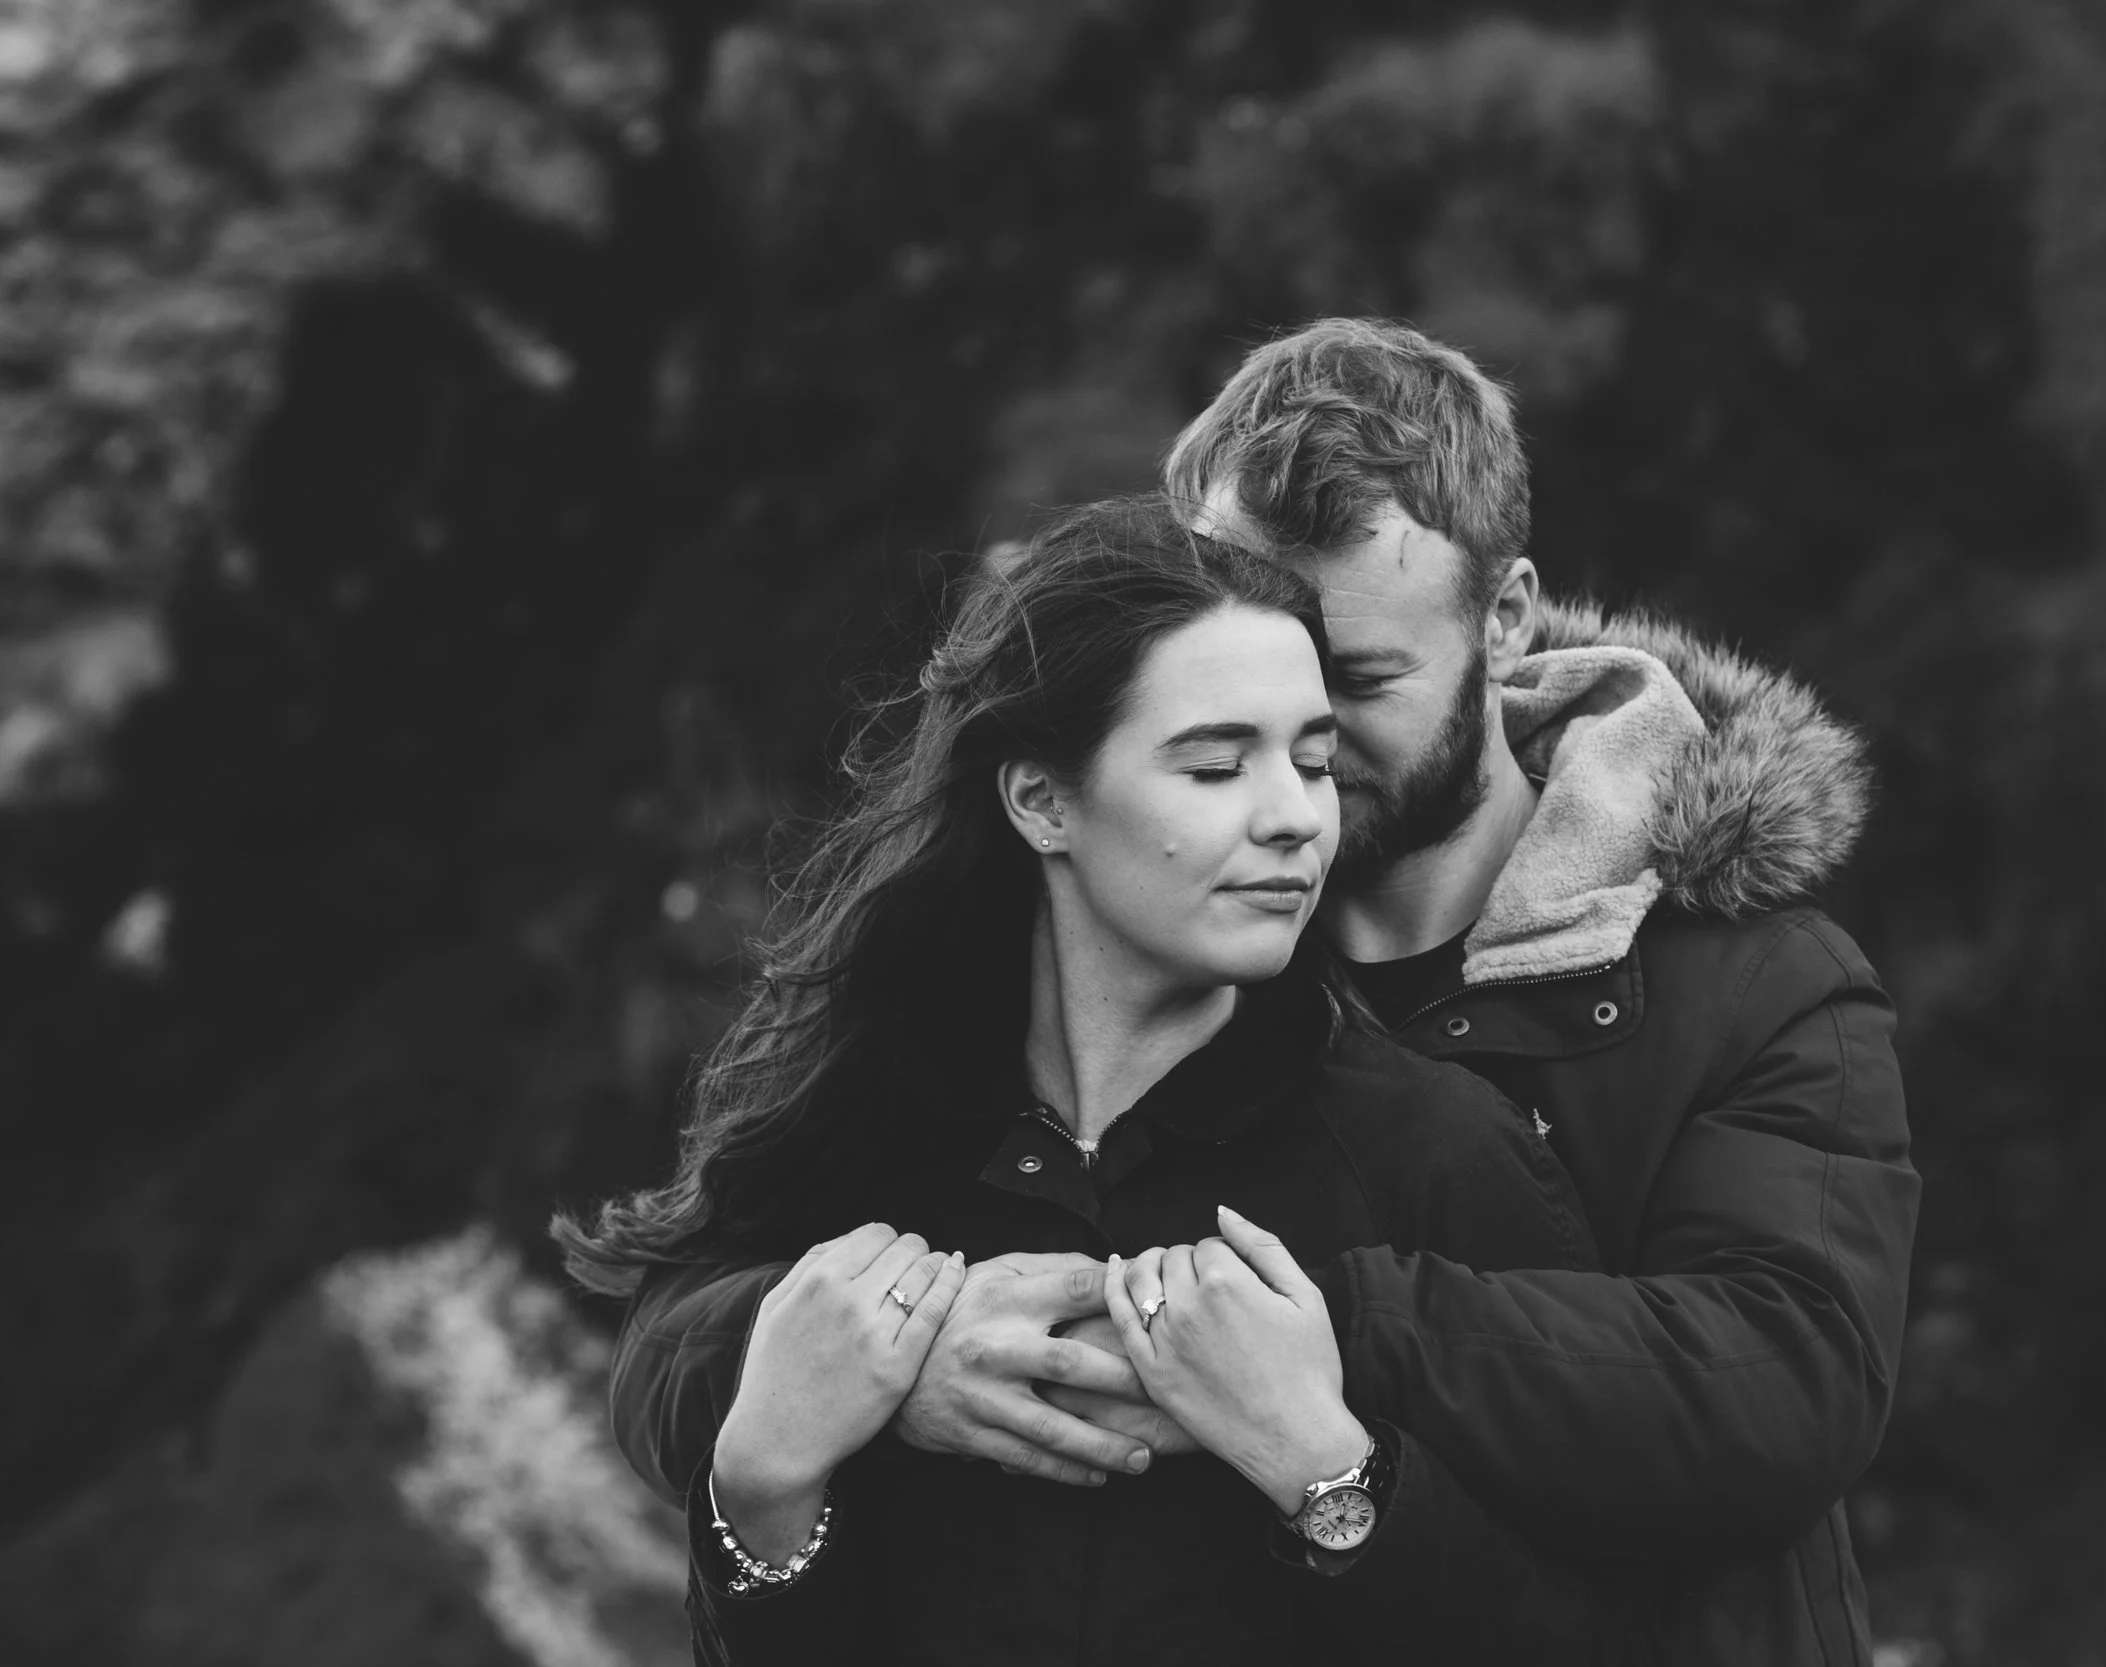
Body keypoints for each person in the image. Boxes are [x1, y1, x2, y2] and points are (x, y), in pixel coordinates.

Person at [609, 319, 1921, 1664]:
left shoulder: (1747, 976)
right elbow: (689, 1323)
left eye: (1345, 687)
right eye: (1225, 713)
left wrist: (1322, 1344)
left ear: (1507, 616)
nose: (1300, 788)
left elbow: (1785, 1383)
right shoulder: (1108, 969)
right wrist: (891, 1356)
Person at [556, 497, 1609, 1664]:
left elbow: (1589, 1622)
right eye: (1216, 764)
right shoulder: (872, 1115)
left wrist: (1325, 1469)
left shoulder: (1438, 1151)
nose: (1294, 818)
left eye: (1313, 761)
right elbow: (684, 1356)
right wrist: (765, 1475)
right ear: (1041, 800)